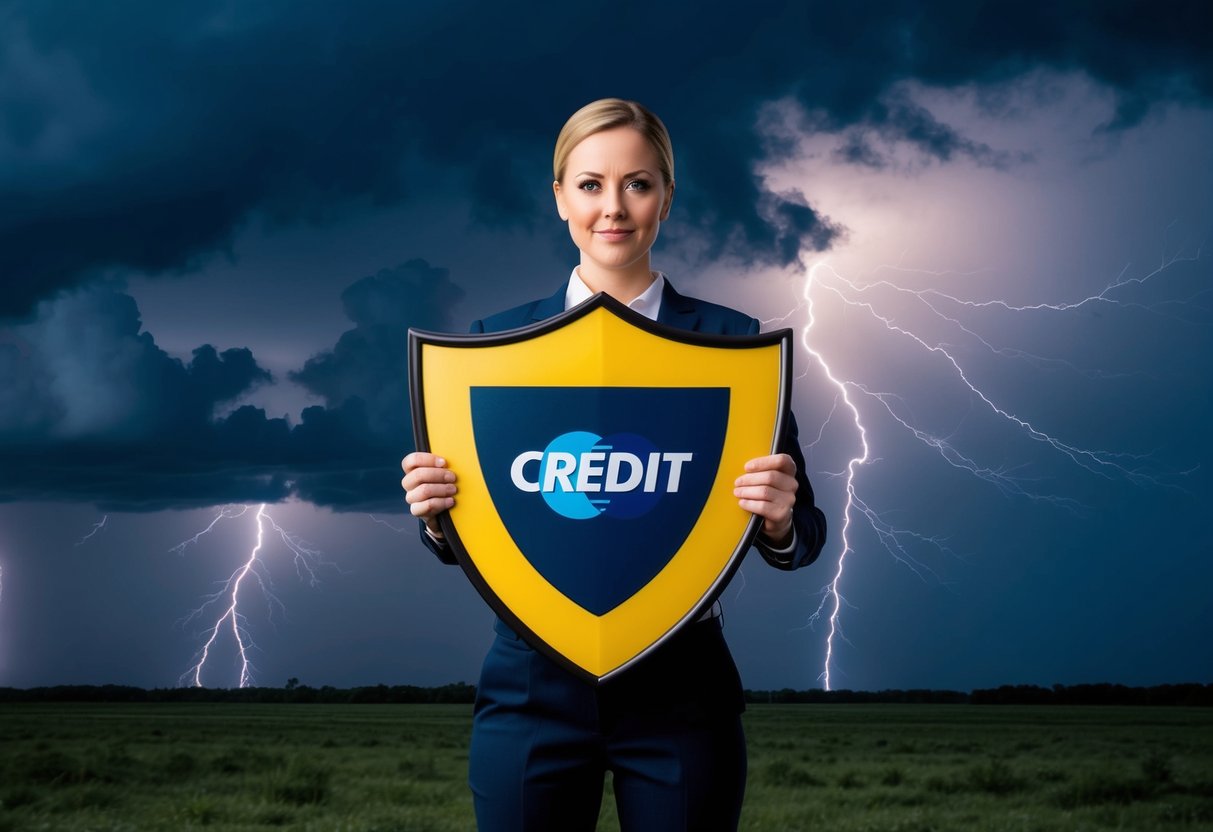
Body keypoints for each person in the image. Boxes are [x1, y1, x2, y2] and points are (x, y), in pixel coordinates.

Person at [401, 99, 827, 832]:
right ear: (559, 195)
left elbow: (804, 537)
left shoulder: (734, 345)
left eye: (638, 183)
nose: (614, 208)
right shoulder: (493, 346)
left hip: (682, 690)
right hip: (531, 687)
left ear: (666, 196)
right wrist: (439, 518)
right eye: (590, 184)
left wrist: (781, 522)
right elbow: (468, 535)